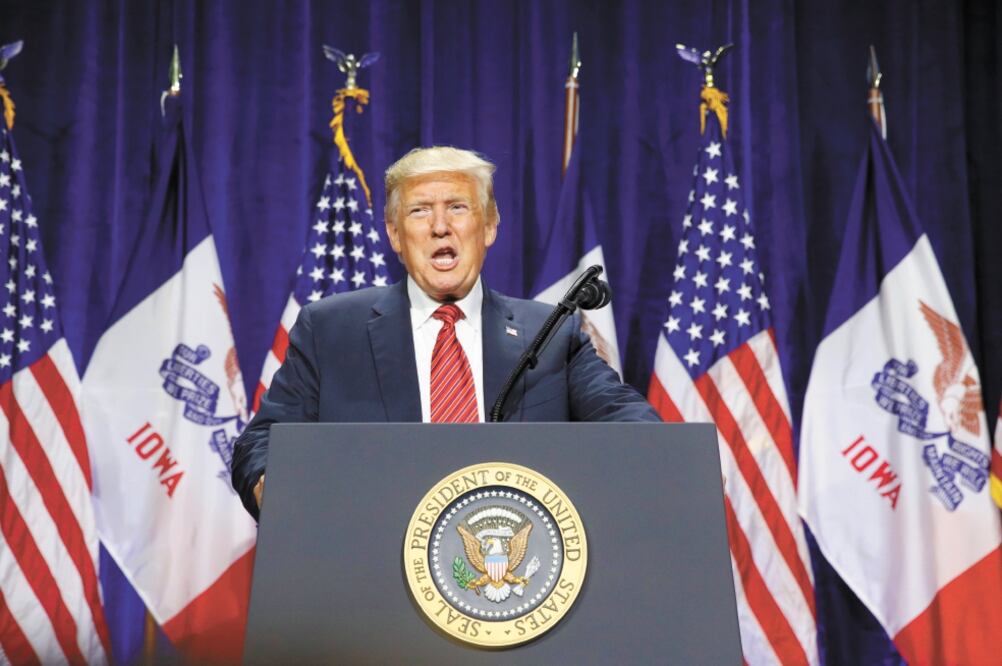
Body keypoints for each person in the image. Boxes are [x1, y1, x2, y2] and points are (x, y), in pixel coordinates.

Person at [231, 146, 659, 519]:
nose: (440, 226)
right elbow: (264, 440)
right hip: (371, 572)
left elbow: (625, 420)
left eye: (457, 206)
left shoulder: (548, 332)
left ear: (489, 226)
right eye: (419, 211)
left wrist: (666, 458)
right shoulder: (329, 330)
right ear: (395, 234)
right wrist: (275, 487)